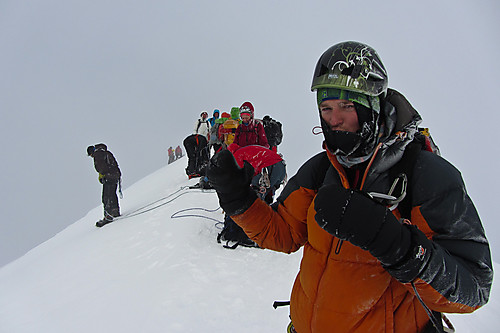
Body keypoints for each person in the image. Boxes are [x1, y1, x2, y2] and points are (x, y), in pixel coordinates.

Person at [207, 41, 493, 332]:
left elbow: (475, 290)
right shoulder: (321, 170)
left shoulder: (425, 176)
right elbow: (282, 233)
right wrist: (237, 199)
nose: (335, 120)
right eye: (326, 108)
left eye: (347, 105)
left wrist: (400, 247)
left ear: (373, 104)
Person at [87, 143, 122, 225]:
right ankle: (115, 211)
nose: (91, 157)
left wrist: (102, 174)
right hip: (115, 175)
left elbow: (101, 168)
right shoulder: (106, 152)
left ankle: (108, 216)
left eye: (90, 155)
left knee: (106, 196)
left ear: (92, 152)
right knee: (112, 194)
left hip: (108, 176)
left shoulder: (98, 154)